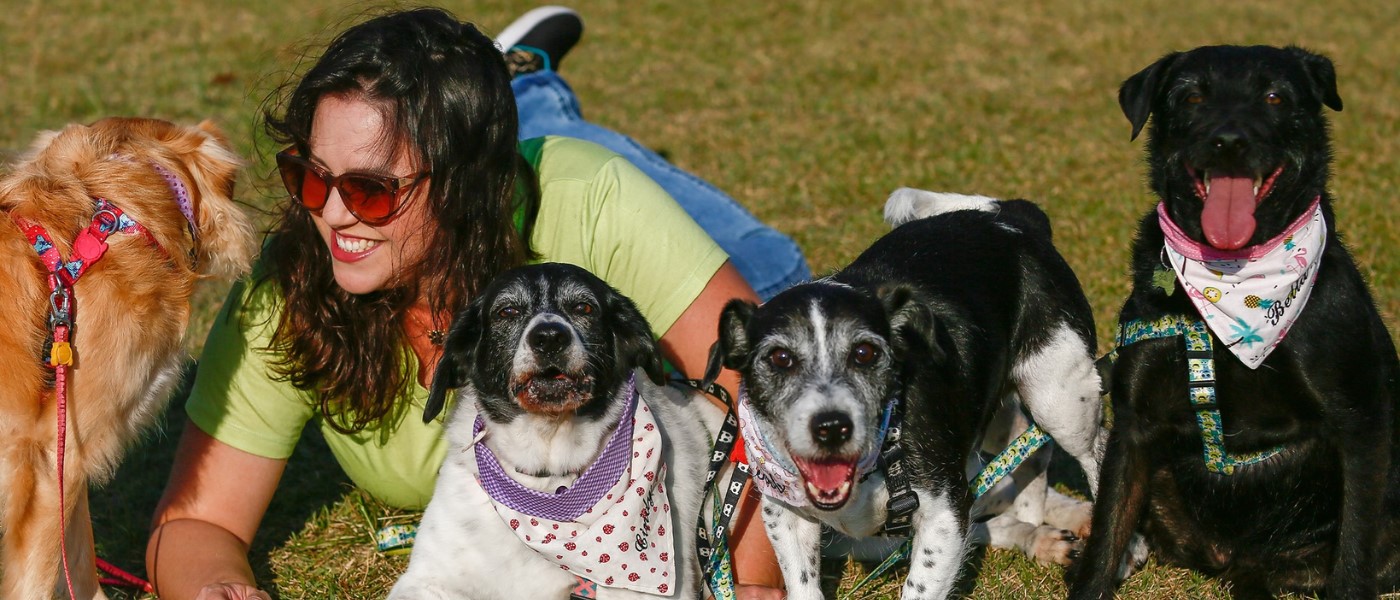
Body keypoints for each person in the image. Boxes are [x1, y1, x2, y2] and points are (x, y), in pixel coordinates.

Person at [144, 6, 794, 600]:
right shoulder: (293, 282)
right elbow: (197, 522)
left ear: (461, 186)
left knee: (782, 274)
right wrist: (216, 589)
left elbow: (764, 388)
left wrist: (755, 582)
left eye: (369, 190)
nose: (333, 214)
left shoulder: (591, 206)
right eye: (309, 177)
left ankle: (527, 83)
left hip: (568, 181)